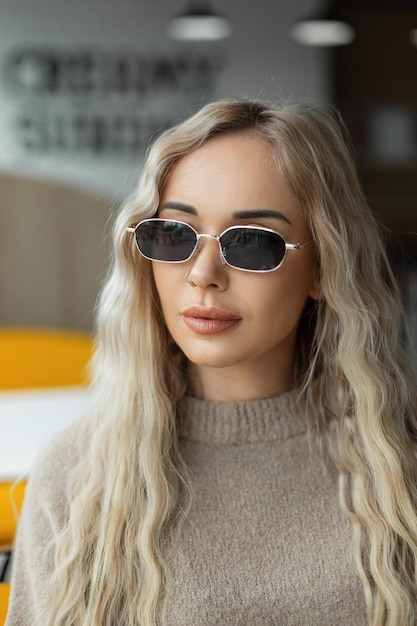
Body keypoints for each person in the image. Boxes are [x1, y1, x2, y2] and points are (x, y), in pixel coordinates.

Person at [6, 98, 417, 626]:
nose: (204, 273)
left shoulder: (399, 469)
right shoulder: (76, 478)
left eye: (250, 242)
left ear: (322, 267)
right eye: (175, 234)